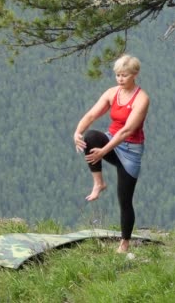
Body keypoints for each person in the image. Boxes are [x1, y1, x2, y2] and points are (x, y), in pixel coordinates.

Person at [73, 54, 150, 253]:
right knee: (90, 137)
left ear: (135, 74)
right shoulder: (112, 93)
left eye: (124, 75)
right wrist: (77, 132)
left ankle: (124, 243)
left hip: (130, 150)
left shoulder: (141, 99)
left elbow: (127, 131)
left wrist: (103, 152)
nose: (120, 79)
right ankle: (99, 182)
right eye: (117, 75)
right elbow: (91, 115)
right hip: (111, 139)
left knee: (124, 200)